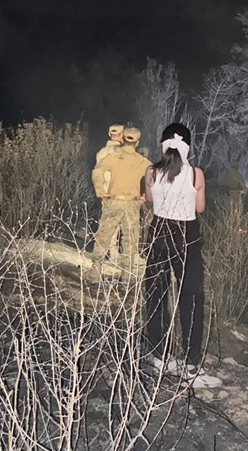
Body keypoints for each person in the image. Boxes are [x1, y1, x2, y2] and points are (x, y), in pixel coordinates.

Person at [143, 123, 221, 389]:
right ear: (187, 146)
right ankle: (190, 365)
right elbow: (200, 208)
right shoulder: (195, 175)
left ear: (163, 145)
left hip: (159, 232)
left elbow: (150, 201)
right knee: (191, 297)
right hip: (186, 234)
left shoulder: (151, 172)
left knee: (156, 293)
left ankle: (158, 356)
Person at [90, 126, 151, 272]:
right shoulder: (143, 162)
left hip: (114, 201)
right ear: (137, 142)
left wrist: (101, 191)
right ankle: (126, 279)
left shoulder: (114, 157)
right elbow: (155, 179)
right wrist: (145, 197)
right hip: (132, 203)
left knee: (103, 238)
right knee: (130, 243)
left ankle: (95, 274)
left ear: (123, 139)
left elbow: (97, 171)